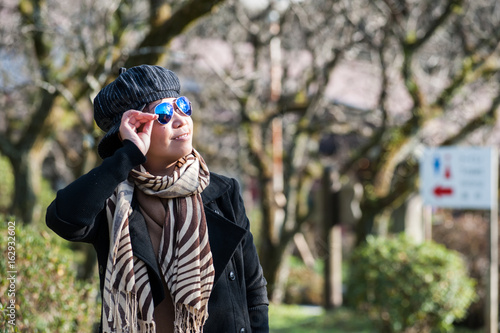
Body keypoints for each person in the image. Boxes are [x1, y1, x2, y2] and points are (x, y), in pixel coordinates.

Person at [46, 65, 269, 333]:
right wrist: (127, 155)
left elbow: (254, 289)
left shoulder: (222, 192)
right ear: (132, 129)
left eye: (182, 106)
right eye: (163, 114)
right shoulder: (113, 201)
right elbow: (64, 219)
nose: (180, 119)